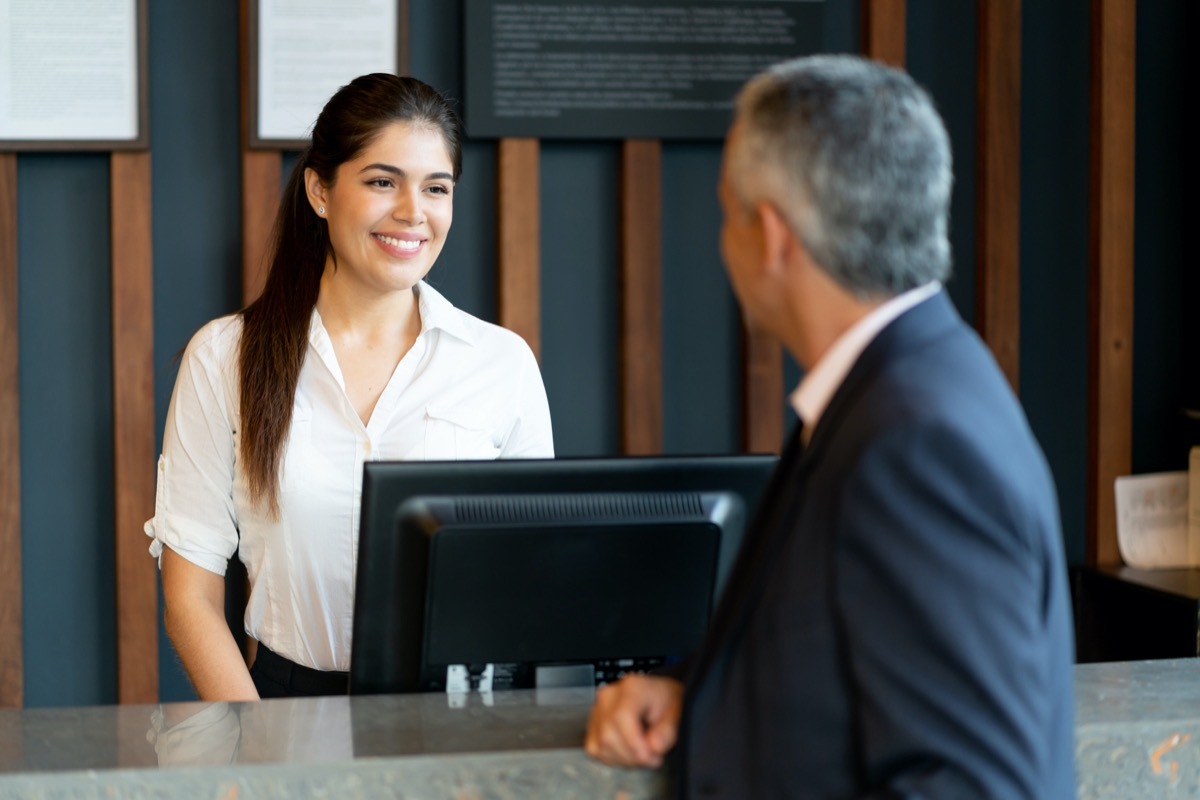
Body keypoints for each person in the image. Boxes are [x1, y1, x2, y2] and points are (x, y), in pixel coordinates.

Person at [584, 55, 1075, 798]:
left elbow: (971, 784)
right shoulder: (905, 387)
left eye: (727, 213)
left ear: (774, 237)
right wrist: (697, 695)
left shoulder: (916, 445)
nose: (723, 243)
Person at [145, 74, 554, 701]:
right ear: (320, 190)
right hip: (282, 712)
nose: (413, 212)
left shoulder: (502, 363)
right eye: (382, 181)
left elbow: (529, 576)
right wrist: (261, 760)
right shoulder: (224, 356)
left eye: (436, 187)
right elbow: (191, 597)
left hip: (458, 721)